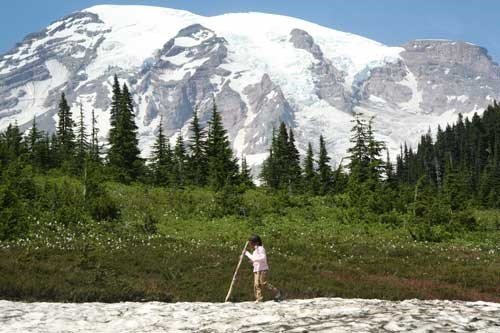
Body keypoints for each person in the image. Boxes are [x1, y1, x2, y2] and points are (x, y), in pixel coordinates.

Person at [245, 234, 282, 303]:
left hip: (262, 269)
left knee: (263, 283)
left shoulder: (261, 249)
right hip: (256, 269)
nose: (251, 245)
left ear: (257, 242)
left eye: (252, 243)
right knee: (256, 285)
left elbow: (262, 258)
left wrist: (248, 254)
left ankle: (277, 292)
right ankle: (259, 298)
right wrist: (251, 261)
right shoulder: (255, 251)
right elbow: (255, 259)